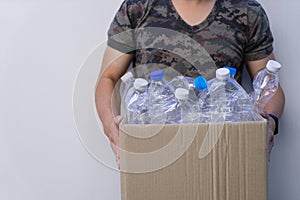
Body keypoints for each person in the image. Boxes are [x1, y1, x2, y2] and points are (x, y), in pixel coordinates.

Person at [95, 0, 285, 165]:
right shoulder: (138, 8)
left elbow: (268, 83)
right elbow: (108, 77)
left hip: (223, 149)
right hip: (154, 148)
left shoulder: (247, 12)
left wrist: (269, 123)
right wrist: (111, 128)